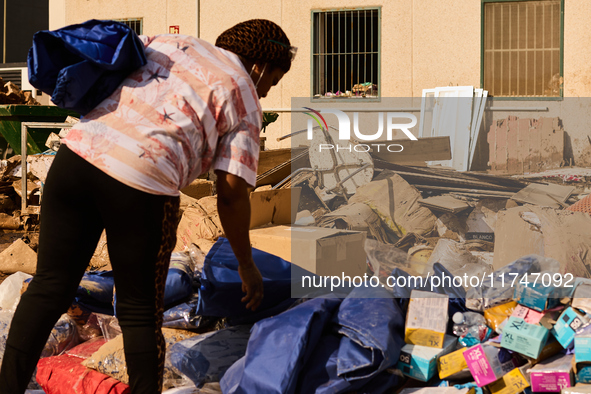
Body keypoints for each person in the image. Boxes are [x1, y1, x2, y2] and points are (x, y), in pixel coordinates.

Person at [0, 19, 294, 394]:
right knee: (140, 311)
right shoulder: (244, 95)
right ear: (261, 66)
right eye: (272, 82)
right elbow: (233, 193)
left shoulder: (174, 43)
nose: (266, 93)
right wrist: (246, 263)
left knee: (49, 286)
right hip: (142, 185)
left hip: (76, 159)